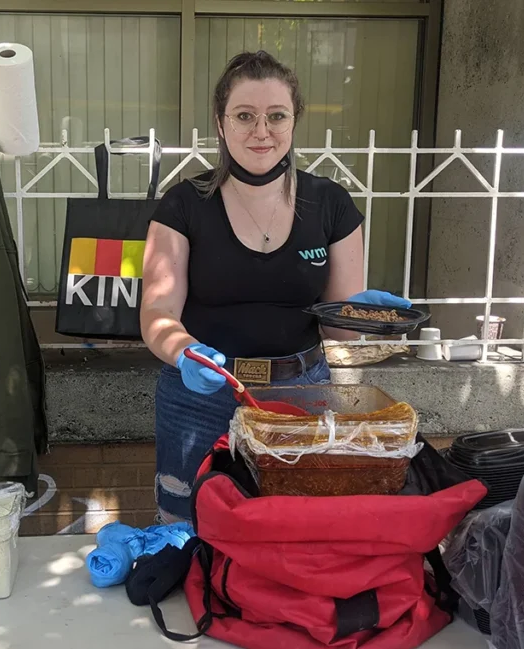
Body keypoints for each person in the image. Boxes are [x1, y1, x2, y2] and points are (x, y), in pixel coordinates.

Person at [140, 51, 411, 523]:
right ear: (221, 125)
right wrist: (184, 351)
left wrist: (358, 315)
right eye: (244, 116)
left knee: (288, 525)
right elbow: (157, 311)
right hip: (200, 396)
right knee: (185, 527)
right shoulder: (183, 204)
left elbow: (340, 329)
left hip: (300, 393)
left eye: (276, 116)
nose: (261, 131)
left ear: (293, 121)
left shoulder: (331, 203)